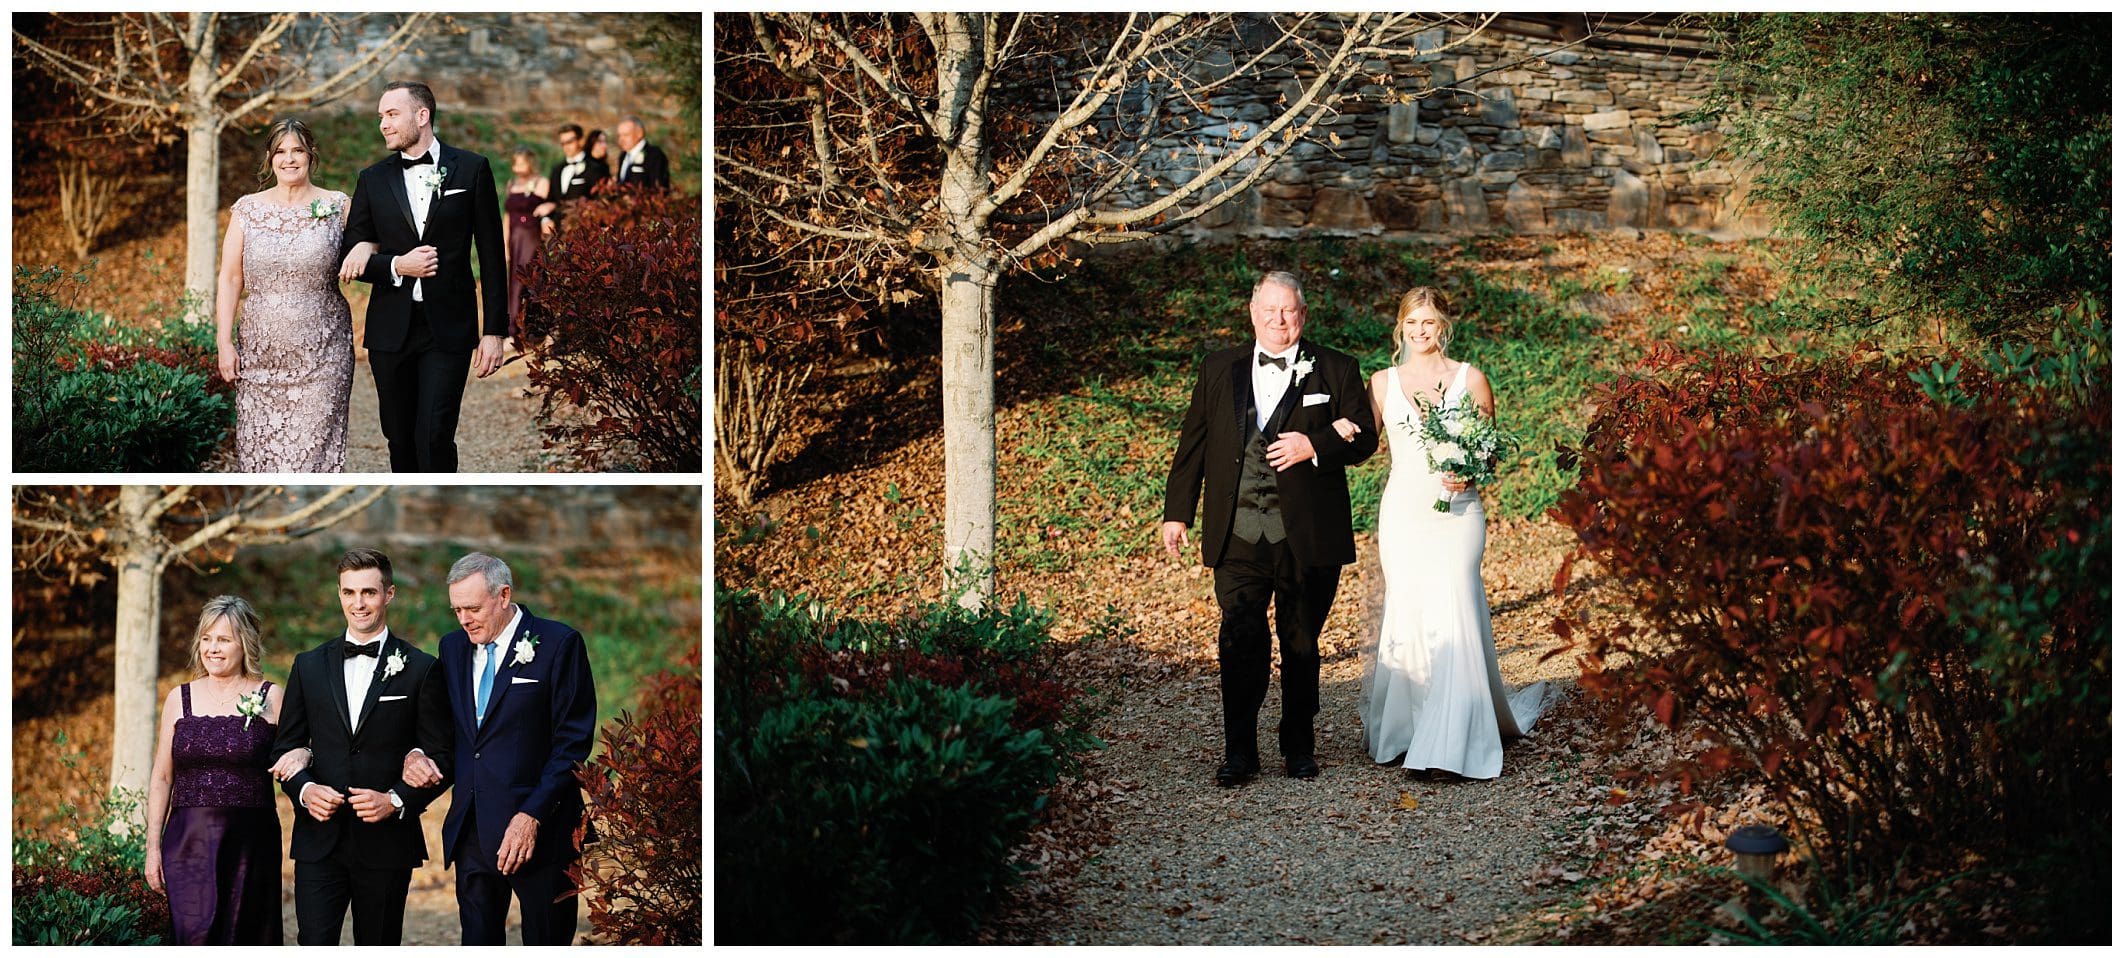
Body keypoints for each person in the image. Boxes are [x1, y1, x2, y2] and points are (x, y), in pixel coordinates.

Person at [1160, 271, 1378, 786]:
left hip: (1307, 534)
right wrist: (1177, 511)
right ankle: (1240, 751)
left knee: (1301, 642)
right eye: (1270, 310)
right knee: (1239, 638)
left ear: (1303, 314)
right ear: (1252, 312)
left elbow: (1365, 439)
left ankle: (1298, 745)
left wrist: (1316, 444)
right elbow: (1192, 444)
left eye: (1289, 311)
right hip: (1236, 530)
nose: (1279, 321)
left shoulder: (1336, 368)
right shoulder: (1218, 369)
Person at [1355, 287, 1553, 779]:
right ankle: (1409, 731)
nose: (1420, 331)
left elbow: (1489, 452)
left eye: (1429, 322)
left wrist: (1471, 470)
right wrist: (1327, 434)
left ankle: (1453, 742)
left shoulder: (1472, 380)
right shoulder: (1381, 383)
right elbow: (1361, 445)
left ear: (1444, 325)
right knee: (1412, 612)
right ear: (1399, 327)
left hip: (1458, 514)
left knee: (1456, 606)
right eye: (1411, 323)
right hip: (1403, 513)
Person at [402, 552, 596, 945]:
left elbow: (572, 744)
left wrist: (531, 816)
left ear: (504, 595)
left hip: (541, 830)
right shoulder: (453, 647)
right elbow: (445, 733)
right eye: (456, 609)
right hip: (471, 827)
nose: (463, 619)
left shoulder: (560, 644)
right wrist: (416, 754)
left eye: (472, 608)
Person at [269, 548, 454, 945]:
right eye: (349, 592)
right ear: (339, 594)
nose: (358, 603)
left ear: (389, 594)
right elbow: (284, 749)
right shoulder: (308, 666)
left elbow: (443, 757)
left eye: (368, 592)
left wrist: (397, 799)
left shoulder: (422, 668)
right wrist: (304, 789)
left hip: (387, 844)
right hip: (319, 842)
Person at [337, 80, 509, 472]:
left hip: (447, 328)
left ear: (422, 115)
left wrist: (494, 331)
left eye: (391, 114)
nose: (383, 124)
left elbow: (492, 255)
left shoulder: (472, 168)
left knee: (434, 437)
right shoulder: (372, 179)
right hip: (389, 331)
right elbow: (351, 254)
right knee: (399, 438)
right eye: (380, 116)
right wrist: (398, 265)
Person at [145, 596, 304, 944]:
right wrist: (152, 847)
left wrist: (303, 755)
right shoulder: (178, 698)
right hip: (187, 843)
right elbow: (162, 777)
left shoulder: (270, 696)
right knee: (193, 936)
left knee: (247, 935)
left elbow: (301, 749)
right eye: (206, 639)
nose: (212, 649)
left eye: (224, 639)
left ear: (244, 644)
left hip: (251, 843)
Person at [214, 118, 355, 472]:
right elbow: (231, 278)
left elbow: (369, 248)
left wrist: (366, 250)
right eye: (280, 152)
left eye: (297, 151)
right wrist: (224, 342)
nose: (289, 159)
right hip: (260, 359)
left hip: (323, 356)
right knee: (261, 459)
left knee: (313, 460)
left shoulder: (338, 205)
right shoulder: (247, 209)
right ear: (269, 158)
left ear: (311, 155)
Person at [502, 146, 551, 341]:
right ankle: (513, 330)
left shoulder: (541, 182)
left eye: (521, 162)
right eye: (515, 163)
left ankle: (536, 330)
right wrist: (504, 243)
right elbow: (507, 217)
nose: (518, 167)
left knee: (530, 280)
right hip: (514, 238)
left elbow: (551, 207)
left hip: (531, 237)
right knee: (513, 283)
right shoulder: (511, 184)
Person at [542, 123, 606, 237]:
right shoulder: (557, 170)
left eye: (570, 141)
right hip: (558, 234)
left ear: (581, 141)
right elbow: (551, 199)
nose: (566, 146)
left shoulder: (595, 168)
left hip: (584, 233)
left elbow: (600, 201)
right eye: (563, 143)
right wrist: (545, 220)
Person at [612, 116, 670, 192]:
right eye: (619, 136)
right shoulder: (623, 156)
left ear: (639, 133)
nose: (621, 140)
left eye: (626, 135)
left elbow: (659, 187)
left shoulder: (654, 155)